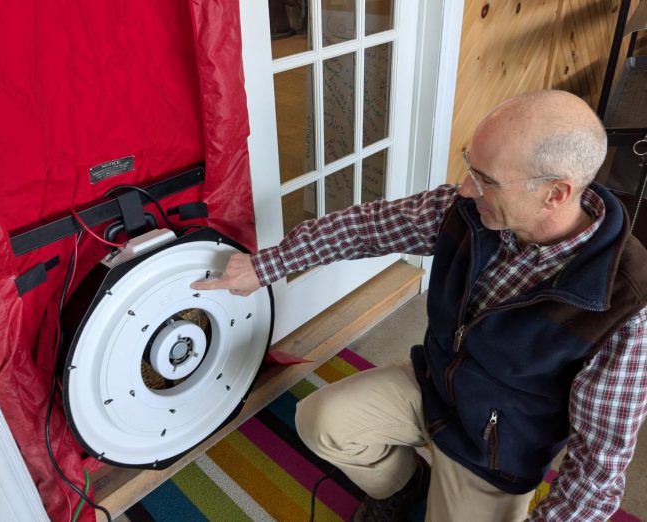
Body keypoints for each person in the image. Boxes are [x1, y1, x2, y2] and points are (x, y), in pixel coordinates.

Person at [191, 90, 647, 521]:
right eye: (471, 166)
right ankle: (404, 487)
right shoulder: (469, 210)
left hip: (497, 453)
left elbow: (597, 467)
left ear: (556, 194)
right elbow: (365, 227)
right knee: (319, 421)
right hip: (432, 388)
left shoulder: (625, 306)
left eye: (486, 180)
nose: (466, 188)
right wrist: (265, 265)